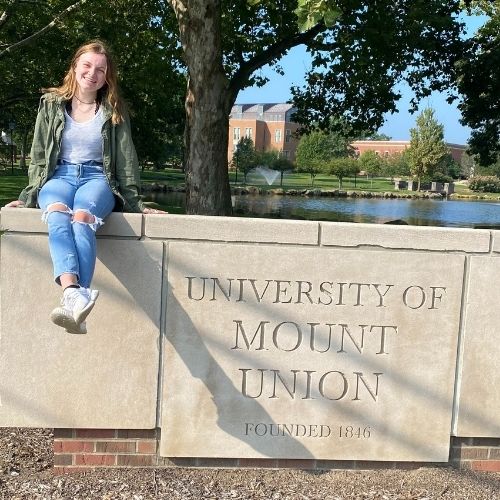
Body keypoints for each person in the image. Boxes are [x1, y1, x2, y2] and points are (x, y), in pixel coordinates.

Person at [4, 40, 166, 334]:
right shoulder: (51, 104)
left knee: (81, 218)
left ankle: (76, 302)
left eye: (100, 69)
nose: (92, 73)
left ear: (107, 77)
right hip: (60, 176)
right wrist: (28, 196)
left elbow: (126, 158)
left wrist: (137, 204)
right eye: (87, 65)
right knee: (56, 214)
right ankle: (75, 295)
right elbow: (39, 154)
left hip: (97, 178)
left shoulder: (113, 110)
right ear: (75, 67)